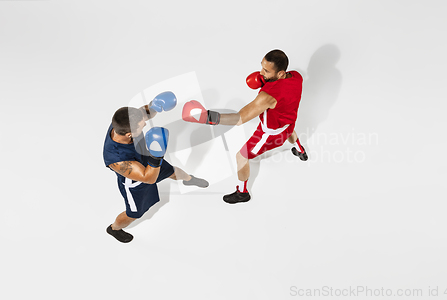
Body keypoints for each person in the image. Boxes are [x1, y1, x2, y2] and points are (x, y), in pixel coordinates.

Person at [182, 49, 307, 204]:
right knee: (290, 130)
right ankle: (300, 150)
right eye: (262, 67)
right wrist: (269, 79)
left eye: (266, 71)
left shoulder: (267, 96)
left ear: (281, 74)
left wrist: (207, 117)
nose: (261, 73)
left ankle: (242, 193)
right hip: (289, 122)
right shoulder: (296, 76)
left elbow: (239, 118)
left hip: (270, 134)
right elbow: (283, 90)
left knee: (241, 157)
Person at [103, 92, 209, 243]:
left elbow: (143, 114)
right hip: (136, 182)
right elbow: (149, 178)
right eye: (140, 127)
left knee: (172, 171)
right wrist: (157, 155)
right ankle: (114, 228)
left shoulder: (123, 121)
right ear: (128, 134)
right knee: (134, 213)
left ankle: (188, 179)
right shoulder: (117, 159)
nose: (145, 125)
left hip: (145, 159)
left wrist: (155, 106)